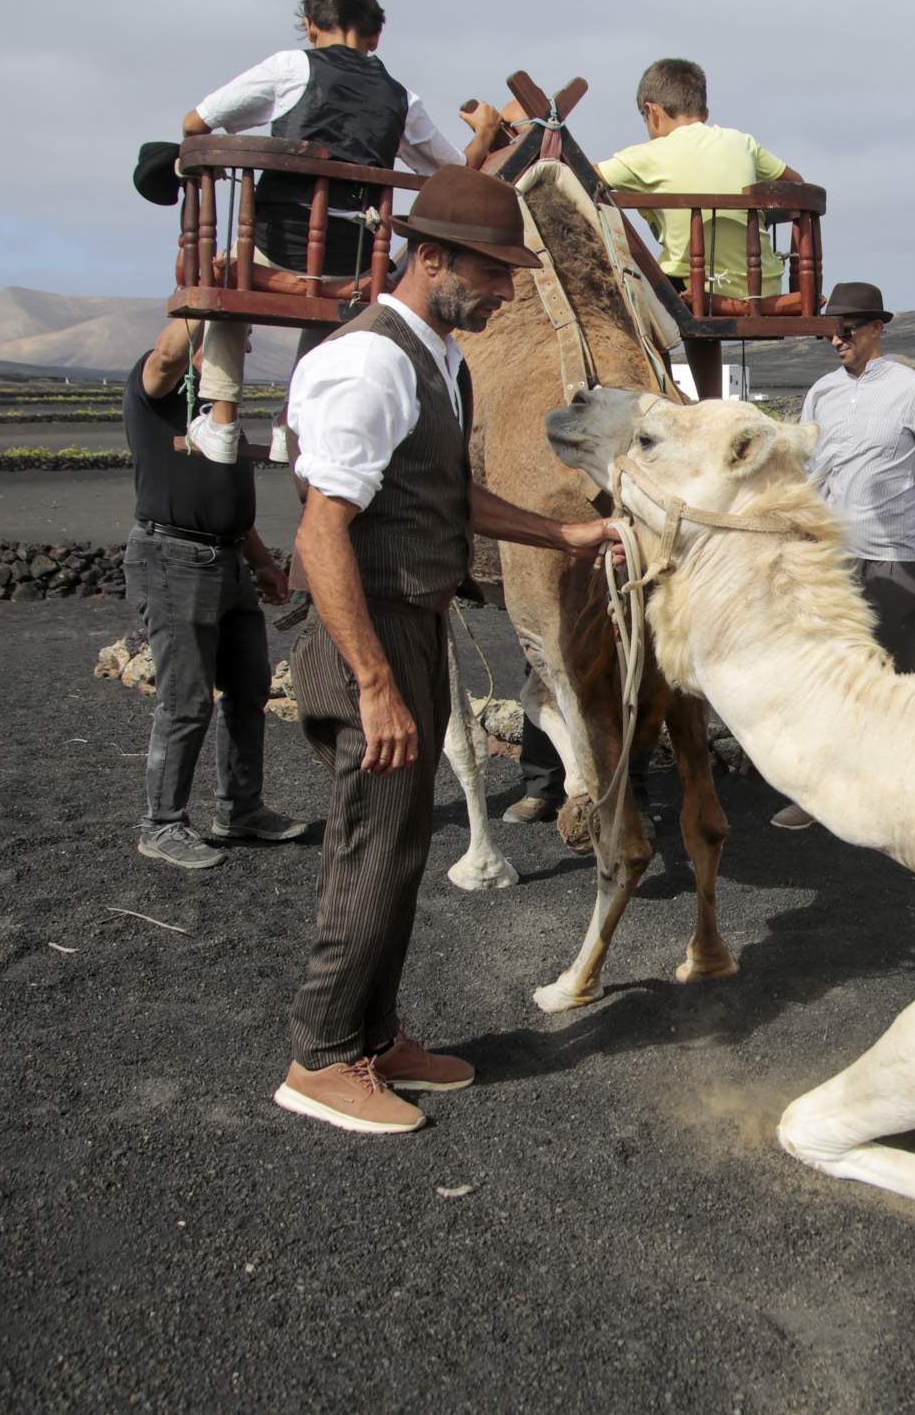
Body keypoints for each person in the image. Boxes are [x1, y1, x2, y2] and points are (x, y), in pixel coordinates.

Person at [276, 167, 619, 1135]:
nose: (507, 291)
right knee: (370, 848)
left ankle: (373, 1036)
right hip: (368, 634)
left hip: (412, 620)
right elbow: (320, 531)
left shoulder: (436, 360)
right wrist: (377, 685)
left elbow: (448, 498)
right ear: (431, 257)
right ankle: (322, 1057)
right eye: (492, 271)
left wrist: (567, 537)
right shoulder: (368, 363)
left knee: (400, 847)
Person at [177, 0, 473, 465]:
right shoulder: (403, 99)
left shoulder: (290, 66)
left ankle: (223, 420)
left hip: (279, 244)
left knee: (228, 271)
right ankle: (290, 417)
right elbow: (451, 170)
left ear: (312, 27)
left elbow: (196, 122)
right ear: (375, 36)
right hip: (356, 260)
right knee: (333, 294)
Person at [769, 282, 915, 832]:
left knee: (891, 678)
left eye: (847, 328)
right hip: (829, 557)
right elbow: (807, 470)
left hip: (893, 554)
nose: (837, 338)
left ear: (877, 328)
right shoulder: (821, 393)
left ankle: (891, 792)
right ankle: (817, 791)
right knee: (822, 671)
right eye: (831, 329)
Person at [123, 319, 312, 869]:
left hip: (227, 560)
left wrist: (260, 562)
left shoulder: (218, 413)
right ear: (201, 344)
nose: (247, 346)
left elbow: (224, 499)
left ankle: (239, 810)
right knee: (186, 699)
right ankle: (161, 825)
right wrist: (208, 307)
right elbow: (164, 357)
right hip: (173, 559)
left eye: (246, 335)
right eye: (235, 336)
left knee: (249, 687)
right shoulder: (156, 395)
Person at [592, 57, 803, 307]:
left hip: (696, 290)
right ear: (704, 114)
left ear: (652, 112)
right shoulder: (742, 142)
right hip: (764, 288)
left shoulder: (646, 156)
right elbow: (798, 186)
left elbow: (579, 175)